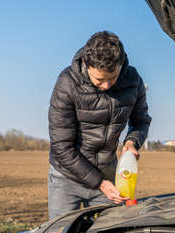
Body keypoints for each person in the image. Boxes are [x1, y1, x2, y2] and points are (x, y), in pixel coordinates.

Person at [48, 31, 151, 219]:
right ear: (87, 65)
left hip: (108, 178)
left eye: (112, 78)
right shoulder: (67, 84)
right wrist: (99, 182)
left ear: (121, 65)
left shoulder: (133, 81)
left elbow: (141, 120)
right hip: (66, 179)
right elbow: (61, 147)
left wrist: (131, 143)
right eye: (99, 80)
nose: (106, 86)